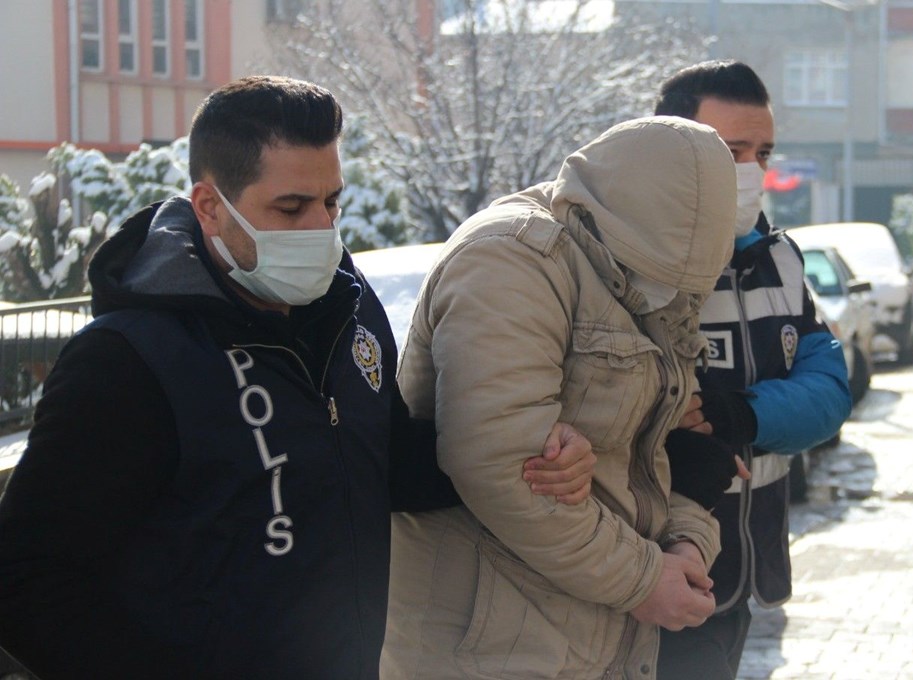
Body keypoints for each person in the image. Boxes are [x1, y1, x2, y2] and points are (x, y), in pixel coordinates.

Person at [0, 75, 594, 680]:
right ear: (209, 207)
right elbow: (29, 580)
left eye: (331, 202)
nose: (320, 228)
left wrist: (532, 446)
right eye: (290, 208)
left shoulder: (349, 307)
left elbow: (379, 460)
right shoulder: (127, 362)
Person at [380, 116, 740, 679]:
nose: (665, 297)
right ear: (604, 219)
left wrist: (688, 544)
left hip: (604, 637)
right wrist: (645, 580)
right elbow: (500, 464)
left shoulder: (666, 268)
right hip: (487, 646)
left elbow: (674, 439)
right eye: (653, 276)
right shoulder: (510, 258)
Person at [654, 60, 853, 679]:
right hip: (657, 572)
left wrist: (741, 414)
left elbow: (828, 392)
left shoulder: (781, 259)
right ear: (672, 150)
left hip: (746, 567)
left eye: (761, 152)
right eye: (729, 151)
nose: (751, 171)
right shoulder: (639, 261)